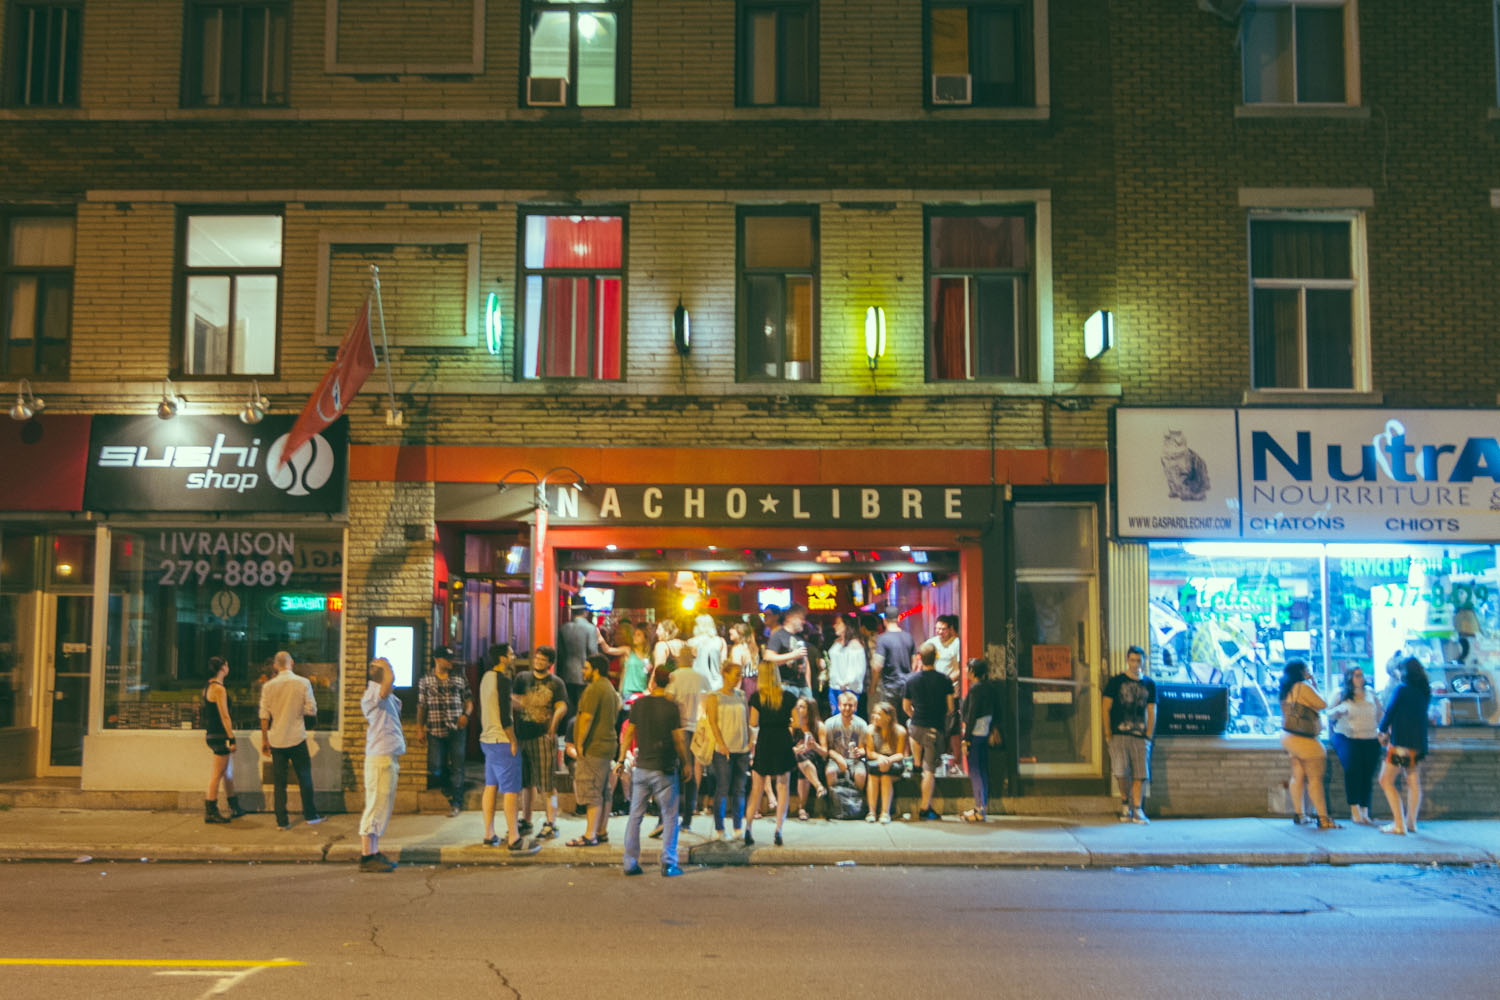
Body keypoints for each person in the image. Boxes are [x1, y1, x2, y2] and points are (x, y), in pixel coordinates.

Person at [617, 665, 687, 877]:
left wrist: (621, 759)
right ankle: (668, 862)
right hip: (664, 768)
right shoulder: (672, 707)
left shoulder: (639, 705)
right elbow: (679, 740)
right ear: (669, 683)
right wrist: (686, 763)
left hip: (642, 767)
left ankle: (629, 862)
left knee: (635, 816)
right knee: (669, 816)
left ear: (653, 681)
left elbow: (629, 734)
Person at [257, 650, 322, 831]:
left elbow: (264, 715)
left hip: (277, 739)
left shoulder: (268, 686)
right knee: (304, 776)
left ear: (276, 666)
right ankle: (310, 815)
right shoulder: (303, 683)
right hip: (297, 737)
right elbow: (312, 709)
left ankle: (282, 820)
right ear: (291, 662)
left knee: (280, 782)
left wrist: (264, 739)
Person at [478, 644, 533, 852]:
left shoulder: (485, 678)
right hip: (502, 740)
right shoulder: (503, 680)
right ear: (501, 658)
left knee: (490, 786)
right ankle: (514, 838)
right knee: (511, 790)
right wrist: (512, 740)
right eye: (510, 653)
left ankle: (489, 833)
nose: (513, 656)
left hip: (487, 739)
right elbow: (505, 714)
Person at [512, 646, 569, 840]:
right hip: (522, 735)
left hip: (542, 736)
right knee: (526, 783)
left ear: (550, 663)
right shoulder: (522, 679)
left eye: (543, 659)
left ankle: (550, 823)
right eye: (537, 657)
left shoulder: (556, 683)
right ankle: (526, 820)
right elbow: (513, 699)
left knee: (546, 783)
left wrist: (553, 725)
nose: (538, 661)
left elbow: (561, 705)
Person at [1279, 659, 1339, 830]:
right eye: (1307, 669)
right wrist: (1313, 682)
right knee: (1315, 779)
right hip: (1306, 740)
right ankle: (1323, 818)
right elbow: (1323, 704)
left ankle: (1300, 814)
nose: (1309, 671)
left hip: (1289, 737)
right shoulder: (1302, 687)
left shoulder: (1285, 689)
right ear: (1301, 671)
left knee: (1297, 775)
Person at [568, 654, 621, 847]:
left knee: (592, 792)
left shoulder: (594, 689)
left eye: (586, 668)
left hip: (594, 747)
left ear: (596, 670)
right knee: (604, 790)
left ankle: (590, 835)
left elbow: (586, 718)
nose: (583, 671)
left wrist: (579, 743)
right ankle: (601, 830)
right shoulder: (610, 688)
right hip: (608, 746)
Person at [1100, 645, 1157, 825]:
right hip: (1119, 733)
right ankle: (1125, 803)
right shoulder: (1116, 681)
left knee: (1140, 773)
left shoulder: (1149, 684)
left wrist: (1149, 734)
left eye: (1139, 660)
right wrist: (1108, 732)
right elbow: (1105, 707)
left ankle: (1138, 809)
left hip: (1140, 735)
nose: (1135, 664)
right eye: (1132, 660)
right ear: (1127, 660)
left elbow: (1152, 709)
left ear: (1144, 662)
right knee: (1121, 771)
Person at [358, 657, 405, 872]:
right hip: (379, 760)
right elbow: (389, 684)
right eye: (388, 672)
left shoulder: (386, 697)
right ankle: (367, 856)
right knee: (376, 805)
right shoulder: (373, 694)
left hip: (386, 758)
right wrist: (386, 664)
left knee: (381, 806)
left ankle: (374, 852)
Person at [1377, 657, 1432, 836]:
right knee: (1413, 781)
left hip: (1401, 745)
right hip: (1417, 746)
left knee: (1385, 780)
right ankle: (1411, 823)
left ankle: (1399, 825)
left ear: (1404, 672)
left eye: (1399, 670)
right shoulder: (1424, 690)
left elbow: (1390, 712)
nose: (1397, 674)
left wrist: (1382, 730)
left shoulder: (1401, 689)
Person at [416, 646, 472, 818]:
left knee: (458, 766)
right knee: (435, 767)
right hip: (435, 728)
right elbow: (422, 706)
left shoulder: (459, 678)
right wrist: (420, 728)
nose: (451, 662)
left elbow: (469, 700)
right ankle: (448, 787)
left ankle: (456, 802)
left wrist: (466, 715)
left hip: (457, 728)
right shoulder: (425, 680)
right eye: (448, 659)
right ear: (437, 659)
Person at [902, 643, 955, 821]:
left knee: (912, 728)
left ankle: (916, 762)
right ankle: (925, 808)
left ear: (920, 658)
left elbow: (906, 706)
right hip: (934, 728)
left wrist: (915, 714)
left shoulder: (911, 680)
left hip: (916, 726)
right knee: (929, 771)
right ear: (936, 656)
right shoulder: (945, 680)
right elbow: (950, 708)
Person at [745, 661, 794, 847]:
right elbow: (796, 722)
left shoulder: (757, 697)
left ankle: (748, 828)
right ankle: (778, 830)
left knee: (756, 789)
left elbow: (753, 722)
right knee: (783, 787)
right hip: (782, 741)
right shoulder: (788, 697)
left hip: (765, 741)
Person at [702, 657, 752, 841]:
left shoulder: (740, 695)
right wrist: (721, 744)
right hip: (723, 750)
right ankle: (719, 828)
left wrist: (749, 742)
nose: (738, 677)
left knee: (740, 788)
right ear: (725, 674)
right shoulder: (714, 696)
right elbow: (713, 722)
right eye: (735, 674)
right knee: (722, 787)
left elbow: (746, 720)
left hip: (741, 748)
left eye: (740, 674)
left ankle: (738, 827)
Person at [1328, 666, 1382, 825]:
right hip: (1347, 736)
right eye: (1357, 675)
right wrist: (1339, 710)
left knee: (1367, 773)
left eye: (1362, 675)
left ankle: (1365, 809)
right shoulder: (1340, 694)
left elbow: (1379, 712)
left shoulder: (1370, 693)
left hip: (1370, 737)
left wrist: (1382, 730)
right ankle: (1354, 808)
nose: (1361, 678)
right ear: (1350, 677)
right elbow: (1329, 714)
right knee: (1352, 769)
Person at [665, 645, 712, 832]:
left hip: (678, 727)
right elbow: (706, 703)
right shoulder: (701, 678)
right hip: (694, 727)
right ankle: (687, 818)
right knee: (691, 773)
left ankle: (670, 815)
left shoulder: (674, 676)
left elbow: (669, 699)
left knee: (674, 772)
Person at [202, 656, 247, 824]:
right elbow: (225, 715)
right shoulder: (219, 689)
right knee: (217, 774)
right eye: (227, 665)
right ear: (222, 668)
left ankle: (234, 806)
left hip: (211, 733)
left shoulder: (207, 686)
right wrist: (231, 738)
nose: (228, 668)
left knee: (227, 773)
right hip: (220, 734)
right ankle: (211, 811)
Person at [959, 657, 1004, 822]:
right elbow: (997, 711)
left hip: (975, 733)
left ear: (972, 671)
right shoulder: (990, 688)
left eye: (967, 668)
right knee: (983, 769)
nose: (965, 671)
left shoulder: (975, 689)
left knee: (975, 771)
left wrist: (966, 739)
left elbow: (971, 715)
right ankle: (982, 806)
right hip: (985, 731)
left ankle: (979, 809)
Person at [863, 701, 907, 825]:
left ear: (888, 717)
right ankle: (871, 812)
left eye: (879, 714)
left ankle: (885, 812)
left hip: (894, 762)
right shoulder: (870, 730)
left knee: (886, 777)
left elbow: (900, 754)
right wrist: (881, 758)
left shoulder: (900, 731)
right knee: (873, 776)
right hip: (878, 761)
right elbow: (870, 752)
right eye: (874, 713)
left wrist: (888, 760)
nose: (874, 717)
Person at [558, 603, 606, 710]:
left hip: (566, 672)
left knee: (569, 705)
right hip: (585, 672)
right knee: (584, 705)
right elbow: (592, 652)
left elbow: (560, 653)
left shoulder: (564, 628)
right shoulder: (590, 628)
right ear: (585, 612)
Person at [872, 607, 916, 721]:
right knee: (905, 720)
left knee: (889, 721)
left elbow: (878, 666)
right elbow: (915, 662)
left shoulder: (883, 639)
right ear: (898, 619)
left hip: (889, 687)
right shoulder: (908, 637)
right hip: (906, 686)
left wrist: (873, 685)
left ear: (884, 620)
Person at [823, 690, 868, 797]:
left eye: (850, 705)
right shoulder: (830, 723)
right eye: (844, 705)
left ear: (855, 707)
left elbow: (864, 748)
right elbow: (827, 748)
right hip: (835, 758)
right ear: (839, 706)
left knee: (860, 774)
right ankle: (834, 802)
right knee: (830, 772)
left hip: (855, 760)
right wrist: (838, 758)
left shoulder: (861, 724)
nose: (847, 708)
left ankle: (857, 801)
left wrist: (859, 752)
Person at [765, 605, 814, 702]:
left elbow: (806, 664)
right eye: (801, 618)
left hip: (802, 688)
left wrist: (808, 687)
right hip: (785, 687)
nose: (804, 622)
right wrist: (793, 655)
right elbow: (768, 658)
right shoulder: (778, 636)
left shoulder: (799, 638)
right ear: (790, 618)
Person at [791, 696, 828, 819]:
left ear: (810, 709)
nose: (798, 709)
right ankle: (818, 786)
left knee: (803, 767)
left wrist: (815, 746)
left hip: (814, 760)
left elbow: (824, 753)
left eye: (802, 707)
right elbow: (785, 747)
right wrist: (795, 750)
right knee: (801, 757)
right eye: (797, 706)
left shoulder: (819, 726)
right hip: (795, 759)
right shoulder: (793, 725)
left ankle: (802, 809)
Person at [826, 614, 868, 719]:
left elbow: (859, 669)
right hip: (834, 686)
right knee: (835, 718)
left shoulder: (855, 644)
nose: (835, 626)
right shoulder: (837, 642)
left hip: (848, 688)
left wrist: (848, 681)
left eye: (838, 623)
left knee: (848, 719)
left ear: (847, 625)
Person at [687, 613, 727, 689]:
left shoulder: (691, 643)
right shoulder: (720, 641)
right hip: (717, 683)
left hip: (698, 683)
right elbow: (723, 663)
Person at [616, 625, 653, 703]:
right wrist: (620, 692)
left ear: (645, 639)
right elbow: (623, 672)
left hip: (642, 693)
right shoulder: (628, 651)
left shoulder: (649, 656)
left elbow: (650, 676)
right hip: (627, 692)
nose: (635, 637)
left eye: (638, 635)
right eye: (634, 634)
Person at [728, 622, 761, 699]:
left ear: (740, 633)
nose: (730, 630)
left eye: (733, 628)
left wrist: (735, 690)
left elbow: (737, 672)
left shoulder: (738, 649)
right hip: (755, 683)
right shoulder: (752, 647)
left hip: (743, 685)